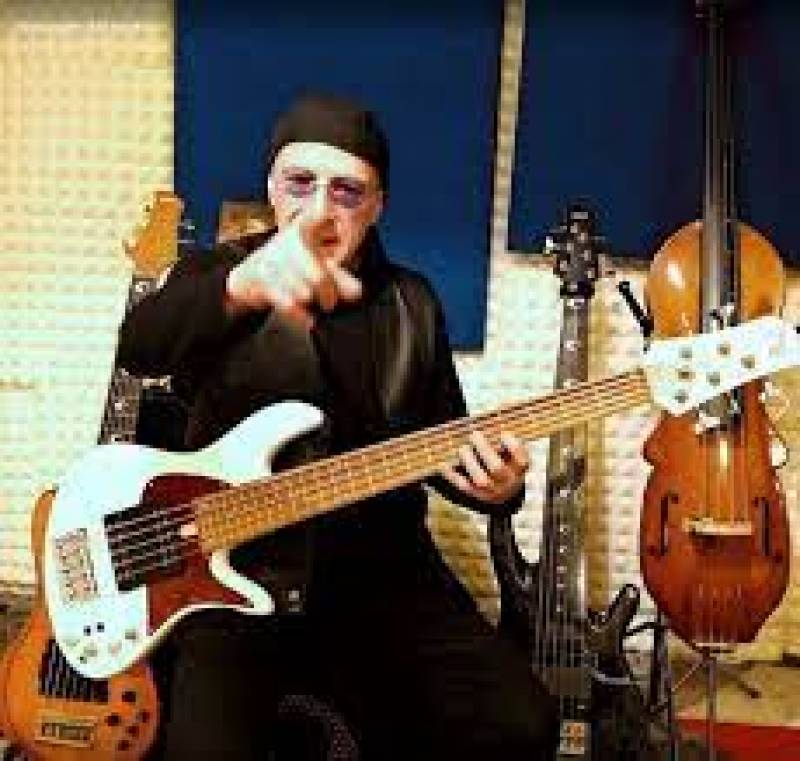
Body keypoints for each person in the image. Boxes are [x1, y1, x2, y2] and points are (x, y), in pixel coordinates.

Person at [119, 92, 559, 760]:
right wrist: (241, 287)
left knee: (520, 723)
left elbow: (444, 443)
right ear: (272, 186)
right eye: (300, 183)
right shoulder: (219, 273)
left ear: (377, 204)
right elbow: (141, 346)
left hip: (383, 580)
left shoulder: (413, 303)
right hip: (235, 577)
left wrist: (497, 489)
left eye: (347, 191)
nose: (320, 209)